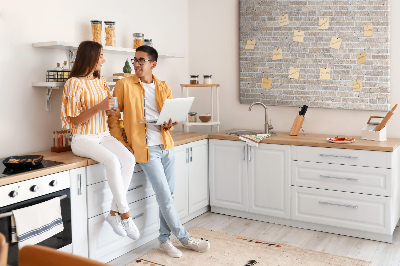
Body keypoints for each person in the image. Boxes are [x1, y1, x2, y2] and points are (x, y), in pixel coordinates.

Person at [108, 45, 210, 258]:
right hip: (145, 149)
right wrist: (121, 142)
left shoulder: (163, 87)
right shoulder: (123, 85)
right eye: (135, 60)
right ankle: (184, 238)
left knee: (168, 197)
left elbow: (169, 118)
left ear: (153, 64)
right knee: (164, 196)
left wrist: (169, 124)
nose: (137, 64)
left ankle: (164, 240)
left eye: (141, 60)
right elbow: (113, 117)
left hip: (166, 146)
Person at [61, 41, 139, 240]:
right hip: (82, 138)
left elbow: (108, 107)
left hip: (103, 135)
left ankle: (113, 214)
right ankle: (125, 214)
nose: (104, 59)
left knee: (129, 159)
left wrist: (113, 109)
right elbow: (73, 120)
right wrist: (99, 107)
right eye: (100, 56)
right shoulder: (73, 83)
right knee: (112, 161)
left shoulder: (100, 80)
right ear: (90, 57)